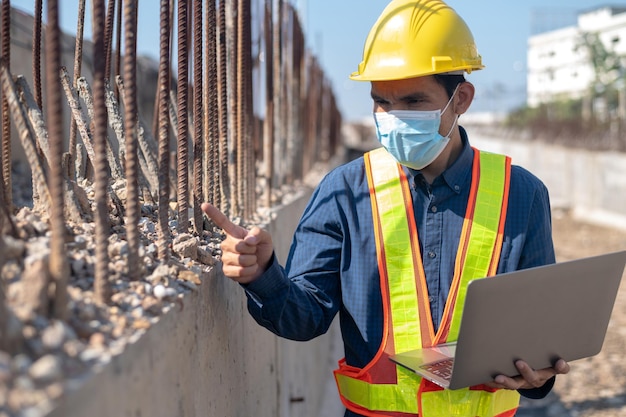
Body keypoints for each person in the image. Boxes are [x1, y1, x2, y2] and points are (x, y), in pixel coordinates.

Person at [202, 0, 570, 415]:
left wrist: (538, 373)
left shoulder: (520, 194)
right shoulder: (345, 192)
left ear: (461, 98)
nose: (393, 117)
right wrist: (263, 275)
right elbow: (304, 318)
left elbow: (538, 347)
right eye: (382, 102)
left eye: (413, 102)